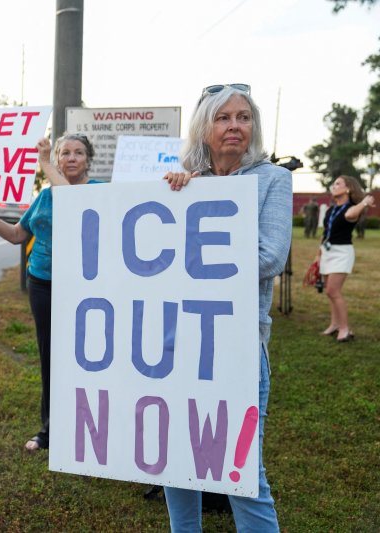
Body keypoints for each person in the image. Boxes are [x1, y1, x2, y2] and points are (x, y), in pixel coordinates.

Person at [163, 84, 291, 532]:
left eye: (243, 117)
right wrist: (178, 198)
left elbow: (270, 256)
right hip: (180, 340)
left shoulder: (272, 179)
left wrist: (192, 258)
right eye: (223, 117)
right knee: (176, 456)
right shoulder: (186, 183)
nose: (235, 126)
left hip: (237, 343)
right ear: (205, 127)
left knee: (240, 471)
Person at [0, 133, 103, 452]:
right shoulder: (44, 197)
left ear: (88, 160)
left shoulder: (97, 192)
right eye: (64, 153)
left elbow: (75, 206)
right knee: (50, 357)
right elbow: (15, 235)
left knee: (87, 358)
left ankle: (91, 429)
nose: (71, 158)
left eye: (78, 153)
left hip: (84, 287)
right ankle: (50, 431)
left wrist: (43, 161)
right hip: (43, 283)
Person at [317, 175, 375, 342]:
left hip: (342, 253)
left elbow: (351, 215)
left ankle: (345, 329)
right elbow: (325, 234)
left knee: (332, 291)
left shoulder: (351, 208)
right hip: (327, 251)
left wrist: (364, 203)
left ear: (348, 188)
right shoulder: (331, 210)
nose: (333, 186)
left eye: (337, 183)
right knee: (330, 293)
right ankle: (335, 325)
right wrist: (318, 256)